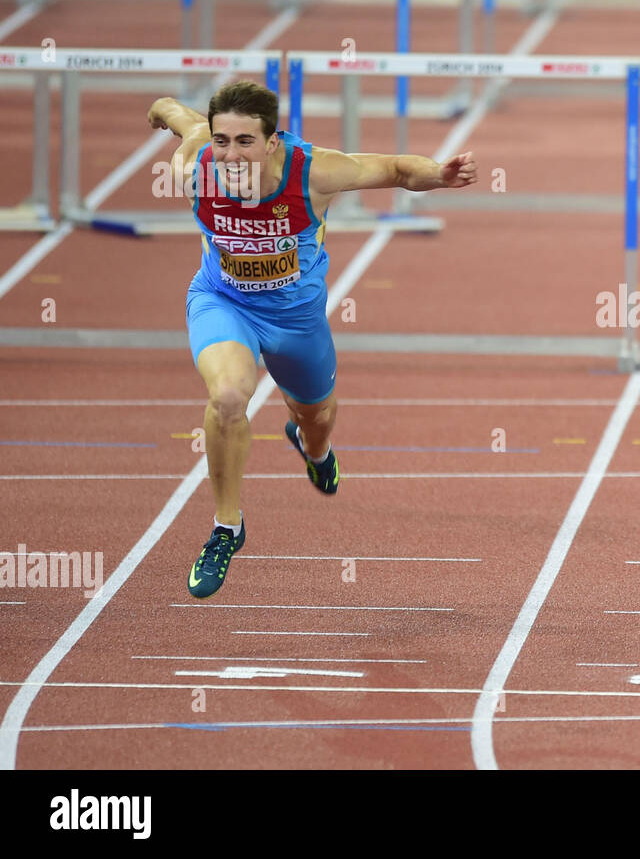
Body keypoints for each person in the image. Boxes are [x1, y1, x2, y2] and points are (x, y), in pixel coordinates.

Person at [147, 80, 477, 598]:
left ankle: (313, 448)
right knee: (229, 396)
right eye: (222, 141)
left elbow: (394, 168)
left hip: (296, 321)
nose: (231, 155)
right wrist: (165, 107)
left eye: (245, 142)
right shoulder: (194, 167)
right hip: (223, 303)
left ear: (271, 142)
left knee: (316, 418)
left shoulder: (314, 171)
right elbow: (188, 124)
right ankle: (226, 528)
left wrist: (439, 175)